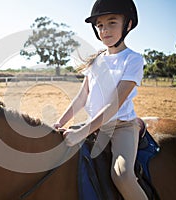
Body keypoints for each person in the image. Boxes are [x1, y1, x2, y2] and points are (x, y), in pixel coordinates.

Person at [53, 0, 148, 199]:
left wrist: (81, 133)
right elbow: (82, 97)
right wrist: (60, 122)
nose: (105, 30)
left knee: (121, 175)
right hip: (94, 124)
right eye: (100, 25)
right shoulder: (96, 60)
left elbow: (114, 104)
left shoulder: (133, 59)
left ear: (128, 24)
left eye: (112, 23)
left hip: (121, 126)